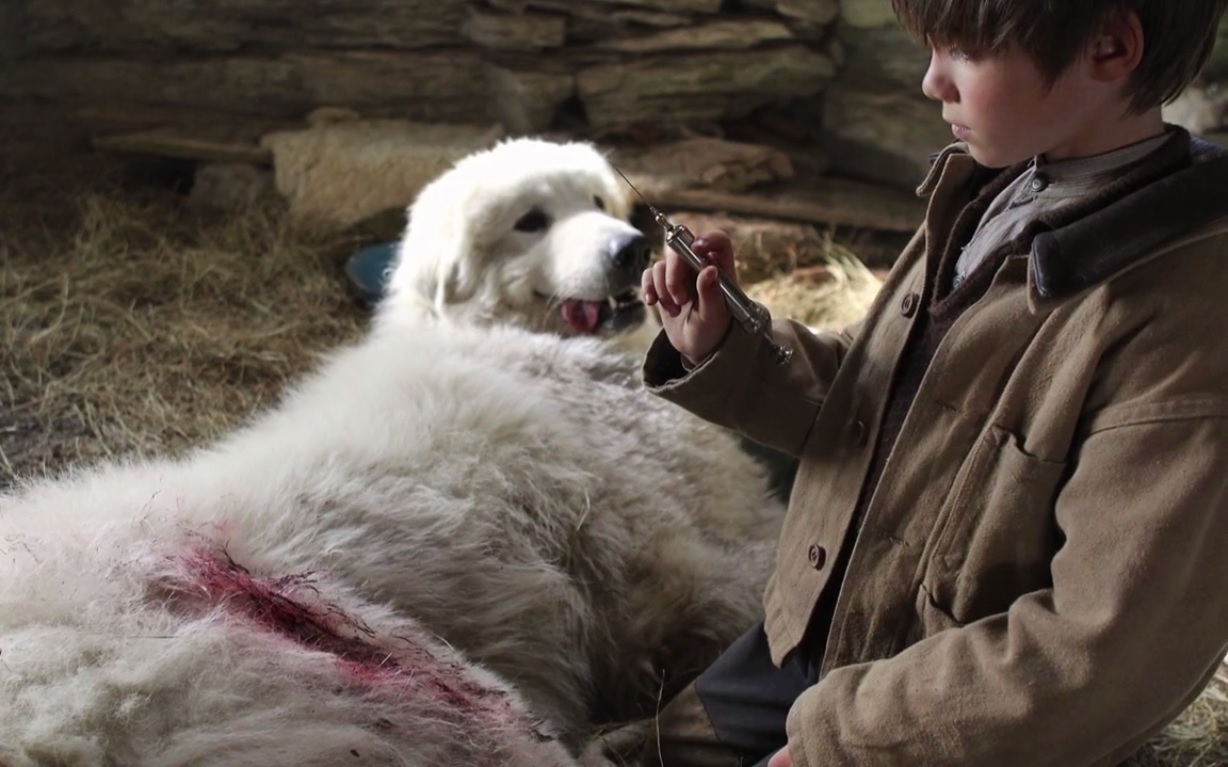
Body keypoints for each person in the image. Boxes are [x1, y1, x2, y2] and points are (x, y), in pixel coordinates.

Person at [618, 1, 1228, 765]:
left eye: (962, 51)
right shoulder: (992, 195)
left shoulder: (1183, 323)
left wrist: (842, 743)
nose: (930, 80)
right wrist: (729, 347)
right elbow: (883, 402)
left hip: (946, 722)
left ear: (1108, 47)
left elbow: (1102, 650)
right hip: (818, 643)